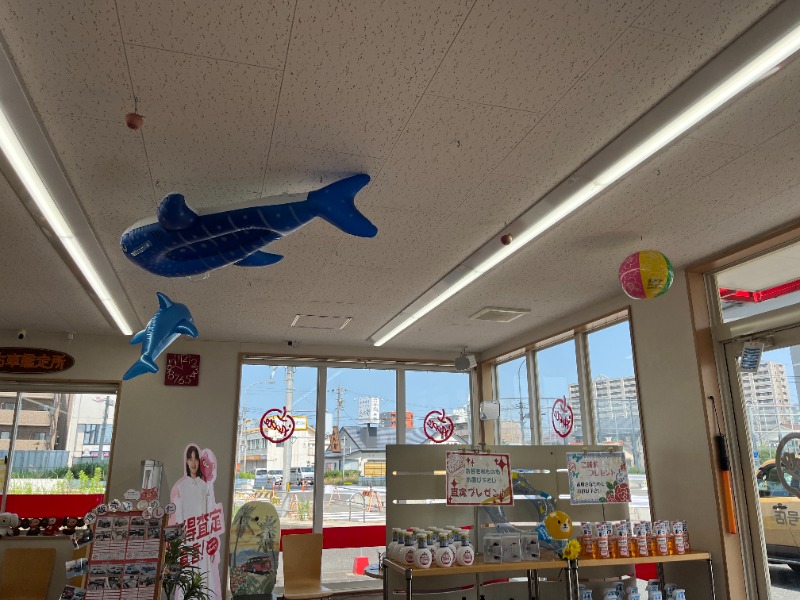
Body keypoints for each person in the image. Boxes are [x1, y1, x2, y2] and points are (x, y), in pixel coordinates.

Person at [169, 444, 221, 600]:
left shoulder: (204, 486)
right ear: (186, 461)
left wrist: (211, 542)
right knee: (187, 575)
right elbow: (179, 518)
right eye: (190, 459)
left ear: (199, 461)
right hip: (187, 539)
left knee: (203, 574)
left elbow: (209, 516)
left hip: (202, 539)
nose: (193, 462)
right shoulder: (181, 487)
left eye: (196, 459)